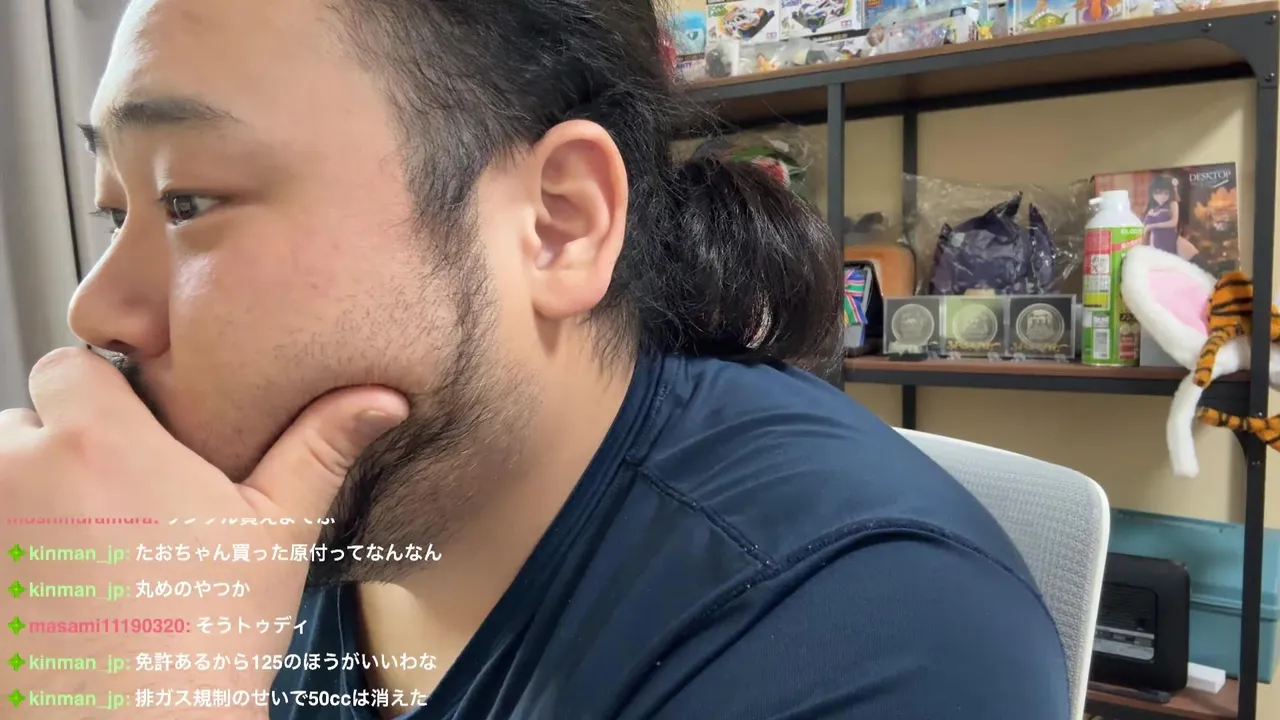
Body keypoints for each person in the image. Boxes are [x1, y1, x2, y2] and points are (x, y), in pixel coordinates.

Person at [0, 0, 1069, 719]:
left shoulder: (870, 632)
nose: (97, 309)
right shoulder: (292, 518)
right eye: (116, 210)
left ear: (557, 223)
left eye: (189, 200)